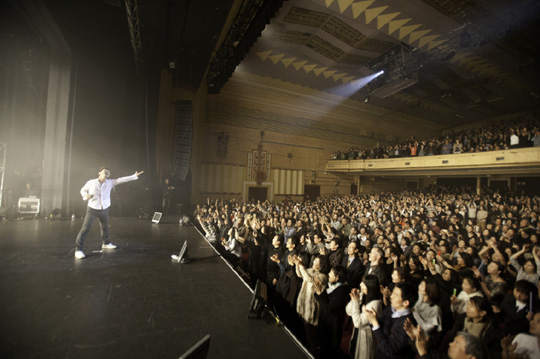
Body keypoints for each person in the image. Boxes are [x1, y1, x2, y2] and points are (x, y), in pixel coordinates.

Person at [74, 167, 144, 259]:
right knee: (85, 229)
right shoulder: (91, 182)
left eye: (109, 173)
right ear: (99, 173)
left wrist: (134, 176)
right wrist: (85, 195)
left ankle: (106, 243)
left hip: (104, 209)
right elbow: (82, 190)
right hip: (92, 209)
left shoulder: (110, 182)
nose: (107, 173)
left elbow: (122, 180)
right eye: (105, 172)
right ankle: (78, 250)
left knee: (105, 227)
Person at [364, 282, 418, 359]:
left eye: (395, 295)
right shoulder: (391, 309)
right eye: (392, 293)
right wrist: (372, 319)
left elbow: (390, 349)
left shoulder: (408, 323)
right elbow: (379, 325)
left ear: (405, 302)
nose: (391, 296)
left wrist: (375, 322)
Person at [346, 274, 383, 359]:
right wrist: (354, 300)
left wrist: (355, 302)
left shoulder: (375, 304)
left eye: (363, 283)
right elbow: (348, 311)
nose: (360, 284)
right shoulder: (364, 295)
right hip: (358, 333)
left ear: (370, 286)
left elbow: (357, 322)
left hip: (366, 336)